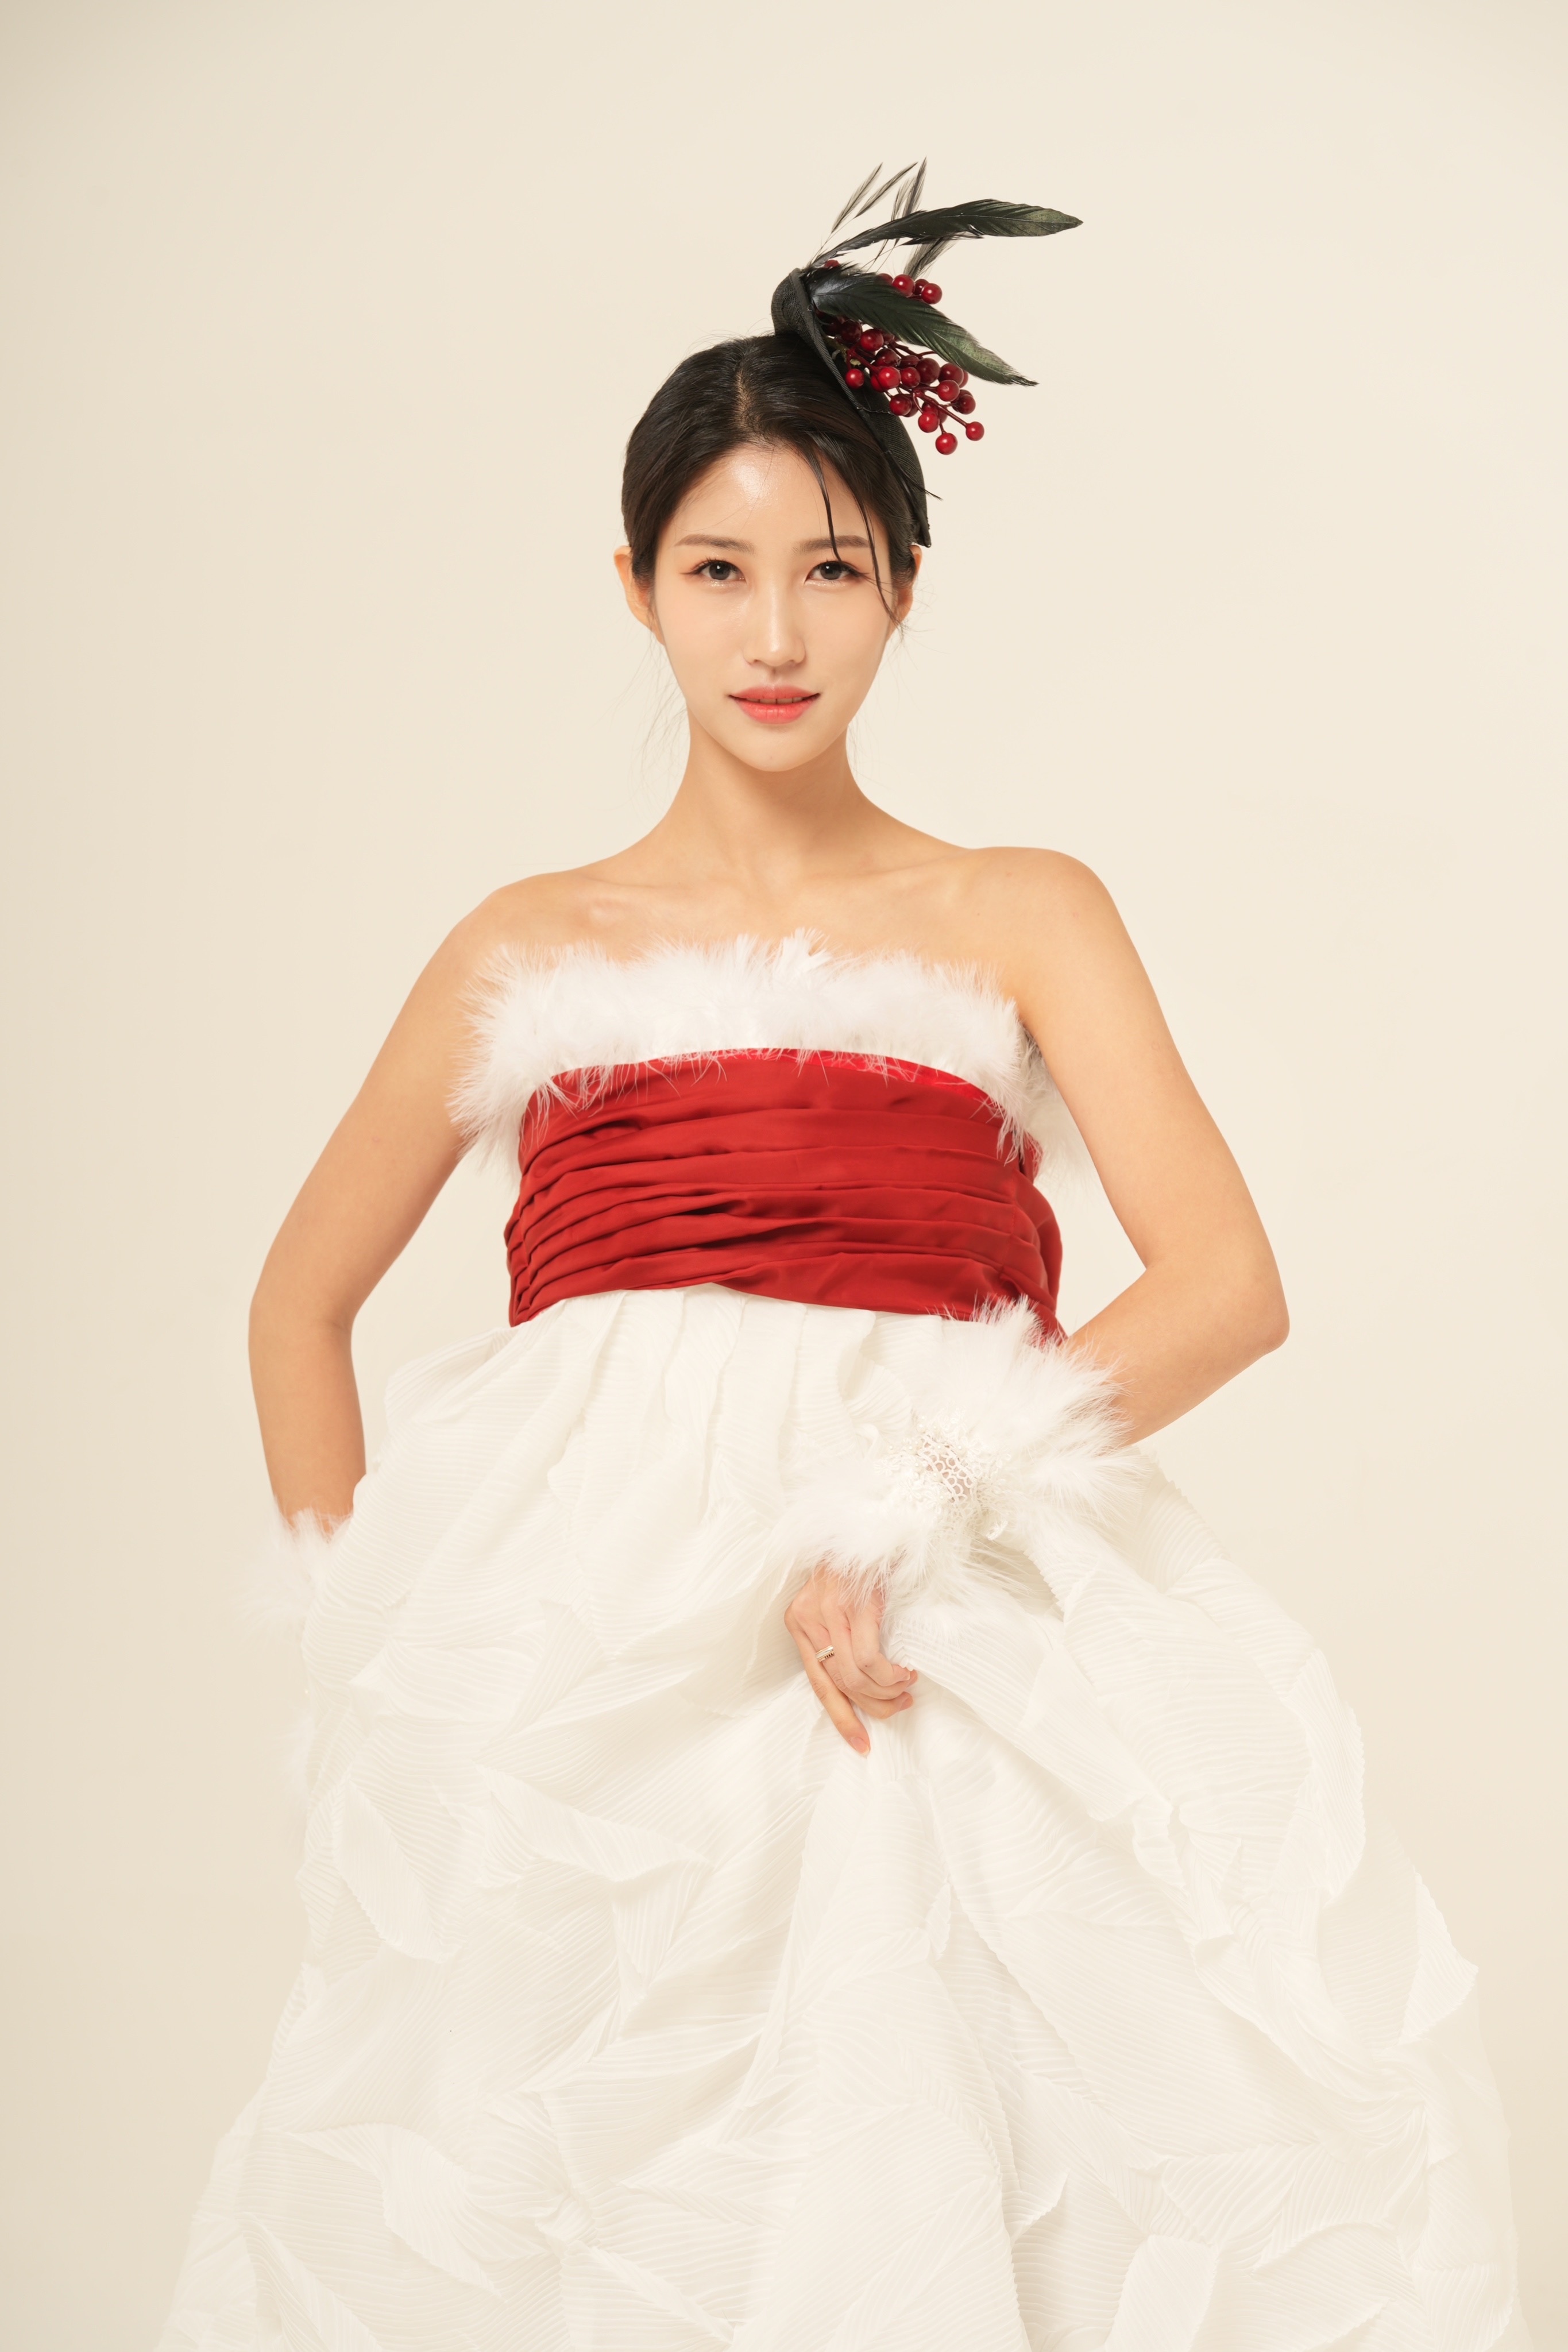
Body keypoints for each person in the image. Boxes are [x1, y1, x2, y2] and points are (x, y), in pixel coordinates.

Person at [158, 174, 1528, 2351]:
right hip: (584, 1641)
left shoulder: (1018, 908)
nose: (774, 636)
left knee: (952, 2126)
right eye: (718, 571)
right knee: (575, 2171)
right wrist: (378, 1642)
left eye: (831, 570)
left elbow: (1223, 1282)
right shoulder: (528, 943)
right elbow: (295, 1302)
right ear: (634, 586)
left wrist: (907, 1498)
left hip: (932, 1604)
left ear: (902, 588)